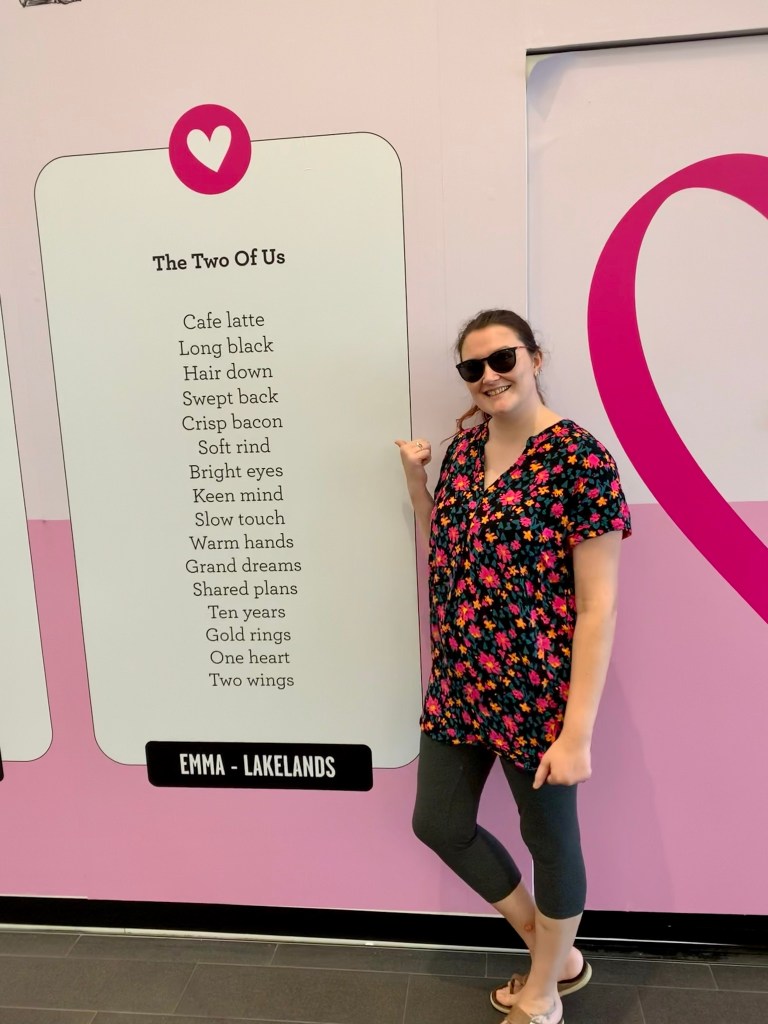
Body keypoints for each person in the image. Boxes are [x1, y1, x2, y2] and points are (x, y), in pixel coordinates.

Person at [395, 309, 631, 1024]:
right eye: (473, 368)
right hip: (463, 680)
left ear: (534, 357)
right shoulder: (465, 450)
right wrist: (417, 483)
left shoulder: (579, 459)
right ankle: (551, 949)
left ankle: (543, 994)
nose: (490, 377)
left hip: (539, 693)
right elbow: (449, 550)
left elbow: (599, 607)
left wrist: (577, 733)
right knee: (439, 821)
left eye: (503, 359)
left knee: (550, 840)